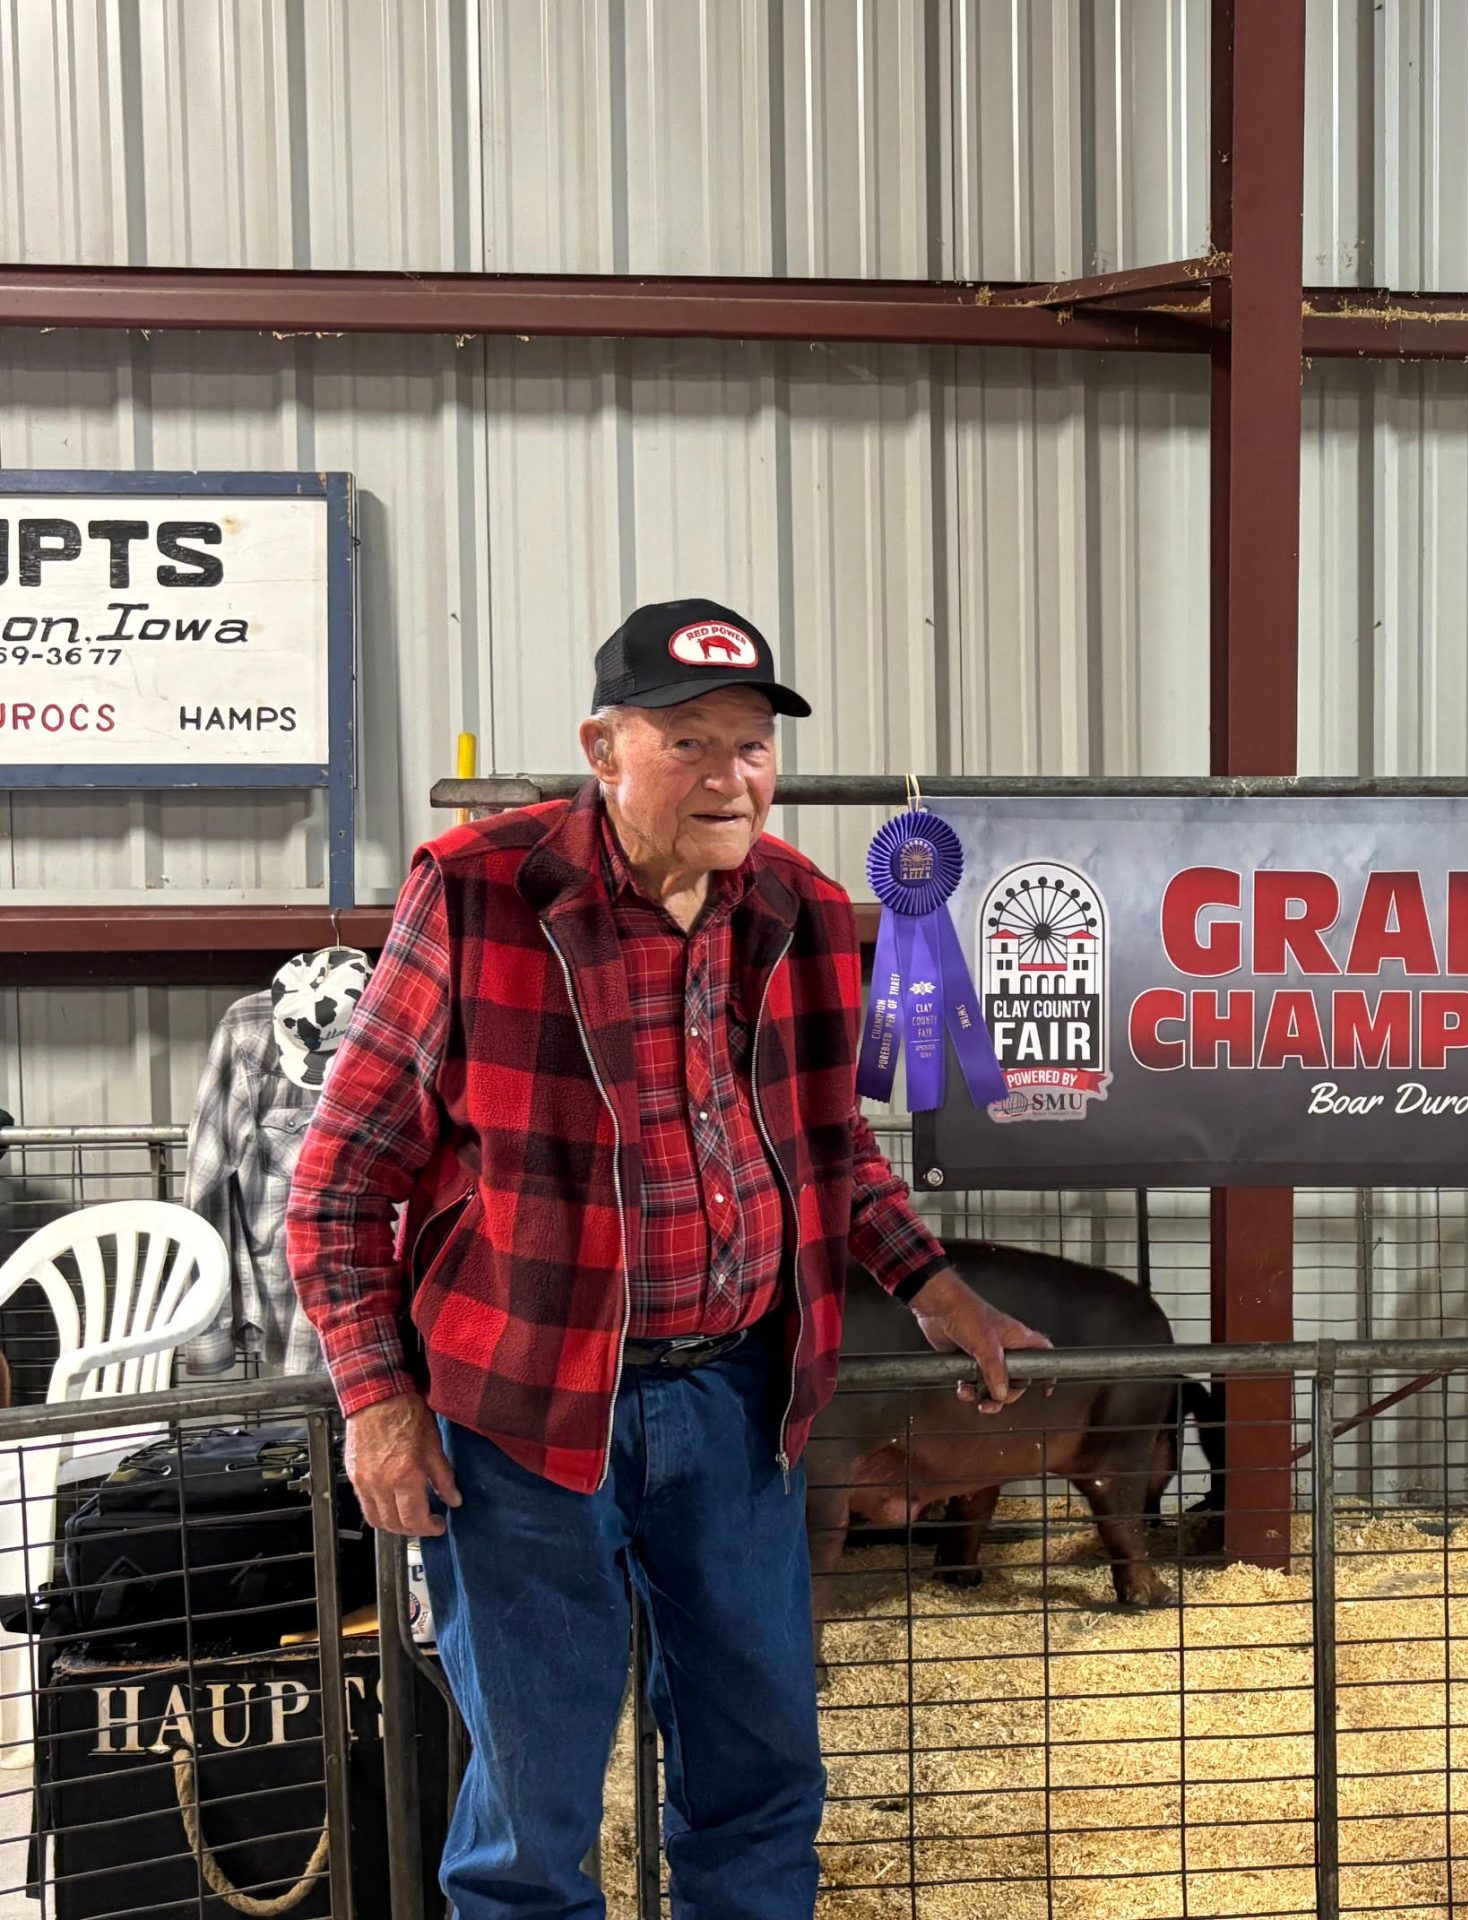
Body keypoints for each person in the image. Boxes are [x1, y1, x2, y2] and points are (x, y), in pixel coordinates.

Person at [287, 597, 1048, 1920]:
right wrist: (376, 1400)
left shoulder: (805, 910)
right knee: (533, 1803)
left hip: (741, 1400)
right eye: (690, 740)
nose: (730, 775)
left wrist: (933, 1285)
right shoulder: (478, 893)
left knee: (762, 1773)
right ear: (604, 747)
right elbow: (343, 1174)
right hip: (522, 1414)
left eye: (752, 744)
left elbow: (832, 1147)